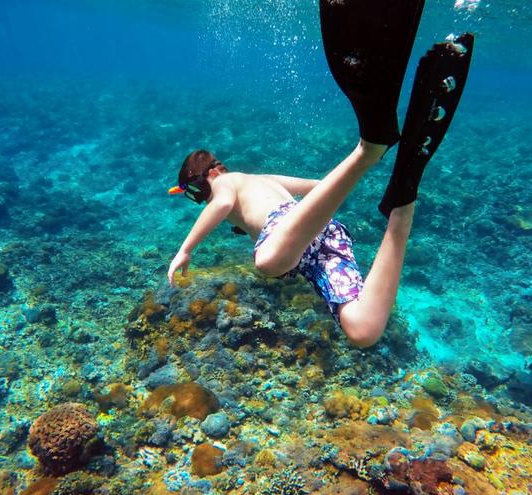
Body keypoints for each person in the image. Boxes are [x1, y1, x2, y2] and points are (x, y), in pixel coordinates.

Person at [167, 0, 474, 348]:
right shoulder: (261, 178)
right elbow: (318, 188)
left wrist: (187, 249)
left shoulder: (226, 182)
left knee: (267, 262)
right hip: (319, 242)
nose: (201, 199)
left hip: (294, 236)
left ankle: (369, 149)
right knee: (363, 331)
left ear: (204, 177)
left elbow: (220, 206)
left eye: (195, 192)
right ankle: (402, 206)